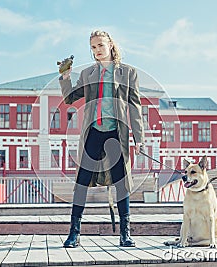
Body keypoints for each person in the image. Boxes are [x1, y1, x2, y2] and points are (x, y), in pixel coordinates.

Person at [59, 30, 144, 248]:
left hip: (116, 132)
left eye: (100, 46)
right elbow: (70, 98)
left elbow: (134, 105)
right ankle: (74, 233)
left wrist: (138, 135)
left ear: (111, 45)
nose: (97, 50)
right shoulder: (88, 73)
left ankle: (125, 233)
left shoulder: (128, 73)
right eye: (93, 47)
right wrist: (66, 78)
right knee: (81, 182)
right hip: (94, 132)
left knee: (121, 183)